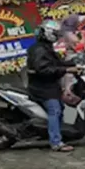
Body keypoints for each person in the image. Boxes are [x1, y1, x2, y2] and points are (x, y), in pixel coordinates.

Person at [26, 20, 79, 152]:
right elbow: (44, 70)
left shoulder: (45, 47)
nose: (57, 36)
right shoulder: (39, 50)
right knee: (54, 110)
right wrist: (66, 70)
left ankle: (57, 134)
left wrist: (74, 62)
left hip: (48, 86)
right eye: (55, 33)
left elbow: (57, 63)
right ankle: (55, 142)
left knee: (60, 108)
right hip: (42, 88)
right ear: (48, 34)